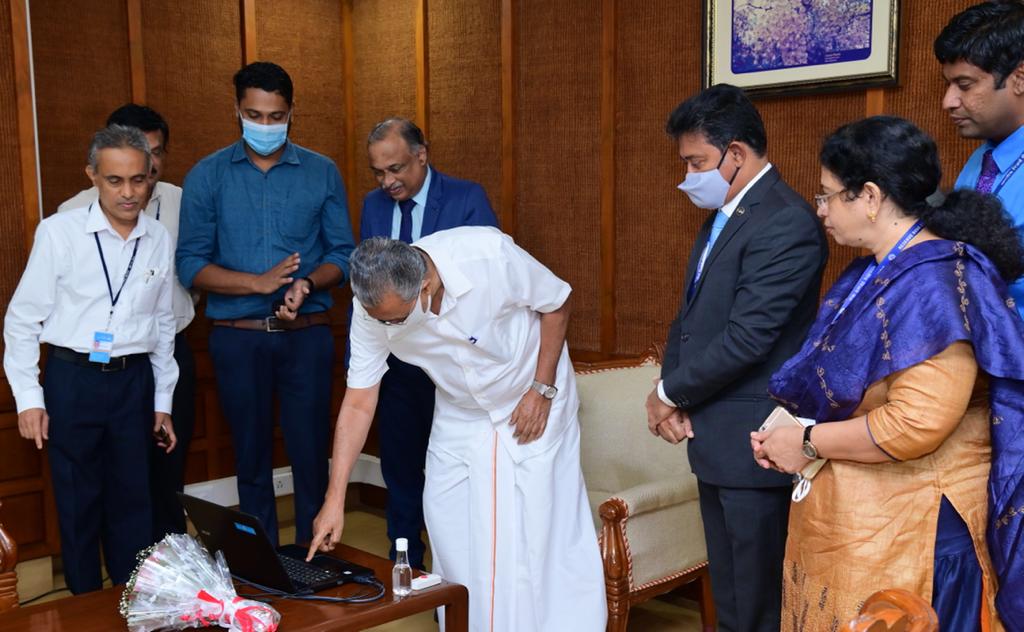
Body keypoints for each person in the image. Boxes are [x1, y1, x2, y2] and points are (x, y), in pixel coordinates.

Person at [753, 116, 1024, 630]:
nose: (820, 208)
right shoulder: (877, 267)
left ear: (871, 197)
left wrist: (807, 442)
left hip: (915, 529)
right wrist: (789, 435)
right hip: (863, 515)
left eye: (828, 195)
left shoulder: (933, 281)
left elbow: (916, 422)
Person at [307, 227, 606, 631]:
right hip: (460, 407)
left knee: (536, 528)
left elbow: (557, 302)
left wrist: (542, 389)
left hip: (530, 393)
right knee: (448, 521)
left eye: (395, 319)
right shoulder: (371, 308)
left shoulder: (486, 255)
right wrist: (335, 498)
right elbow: (359, 402)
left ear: (425, 287)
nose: (387, 327)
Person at [646, 84, 828, 632]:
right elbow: (691, 320)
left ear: (736, 153)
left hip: (755, 444)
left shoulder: (785, 221)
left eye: (696, 162)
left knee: (755, 605)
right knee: (730, 600)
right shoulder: (725, 215)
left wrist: (668, 393)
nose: (687, 176)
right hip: (715, 435)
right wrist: (675, 391)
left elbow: (748, 337)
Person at [176, 61, 355, 545]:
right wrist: (256, 284)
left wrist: (307, 284)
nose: (265, 125)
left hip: (307, 337)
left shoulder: (321, 171)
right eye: (254, 115)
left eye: (276, 116)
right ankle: (263, 566)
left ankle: (315, 557)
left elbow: (343, 253)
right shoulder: (207, 175)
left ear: (292, 112)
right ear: (236, 110)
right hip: (238, 340)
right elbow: (189, 263)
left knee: (311, 455)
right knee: (251, 458)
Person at [4, 125, 178, 593]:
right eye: (115, 181)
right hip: (73, 378)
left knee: (134, 502)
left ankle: (131, 601)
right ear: (93, 176)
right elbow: (22, 320)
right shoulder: (59, 233)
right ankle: (83, 604)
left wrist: (162, 401)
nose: (128, 193)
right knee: (78, 504)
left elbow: (162, 325)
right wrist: (28, 398)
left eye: (138, 180)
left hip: (133, 381)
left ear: (151, 176)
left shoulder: (158, 238)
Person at [358, 117, 498, 569]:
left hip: (454, 369)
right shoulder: (373, 206)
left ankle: (461, 574)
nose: (387, 182)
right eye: (378, 172)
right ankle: (407, 570)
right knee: (400, 472)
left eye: (396, 169)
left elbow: (487, 281)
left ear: (422, 155)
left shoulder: (465, 198)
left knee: (453, 476)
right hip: (398, 366)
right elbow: (370, 285)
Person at [58, 103, 196, 541]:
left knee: (167, 470)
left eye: (155, 153)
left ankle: (170, 564)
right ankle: (118, 570)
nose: (147, 166)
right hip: (104, 363)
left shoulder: (182, 201)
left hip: (170, 349)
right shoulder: (71, 213)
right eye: (136, 153)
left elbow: (199, 262)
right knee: (115, 480)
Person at [936, 1, 1024, 319]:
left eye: (964, 85)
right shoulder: (980, 159)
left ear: (1019, 78)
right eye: (948, 85)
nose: (948, 101)